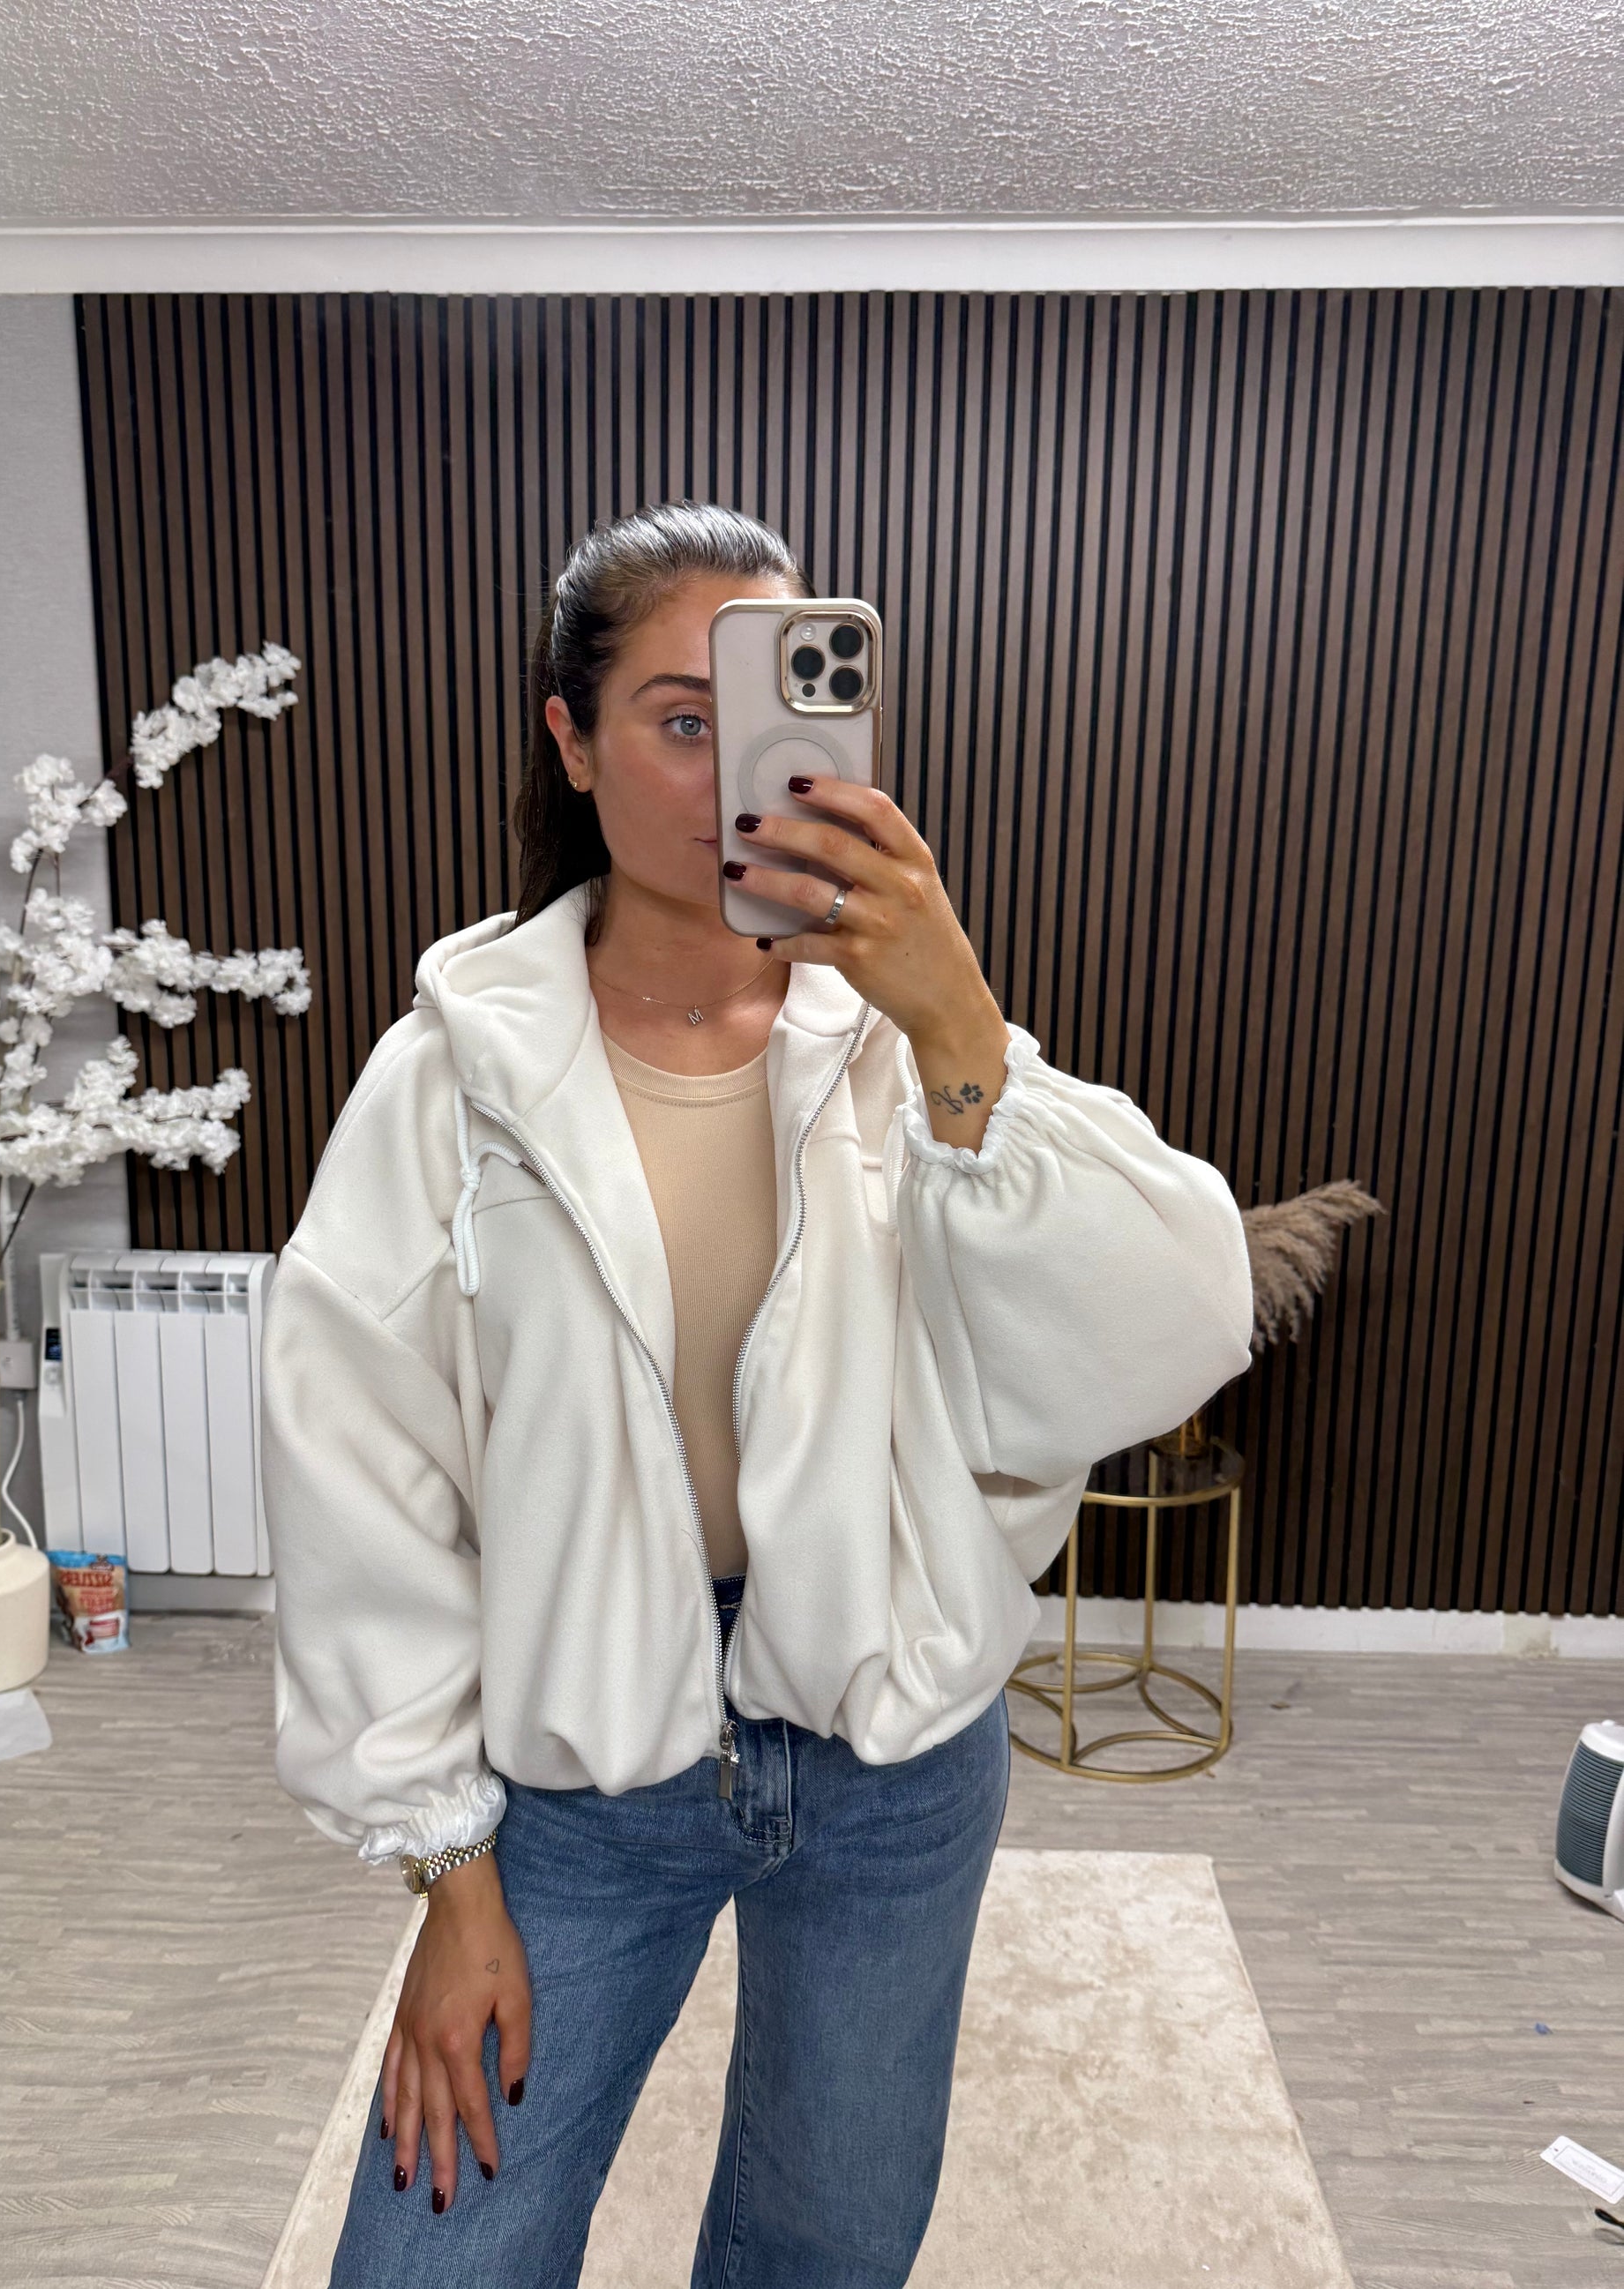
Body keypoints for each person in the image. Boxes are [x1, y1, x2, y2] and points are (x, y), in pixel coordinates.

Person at [259, 499, 1254, 2287]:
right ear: (571, 741)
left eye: (783, 712)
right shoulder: (451, 1080)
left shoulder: (906, 1052)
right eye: (679, 716)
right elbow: (359, 1475)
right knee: (439, 2253)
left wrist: (957, 1025)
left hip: (891, 1747)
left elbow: (1170, 1326)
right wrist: (445, 1869)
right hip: (581, 1760)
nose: (736, 772)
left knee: (828, 2238)